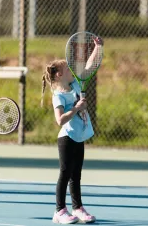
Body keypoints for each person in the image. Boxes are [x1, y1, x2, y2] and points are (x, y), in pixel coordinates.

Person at [41, 37, 102, 224]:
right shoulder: (58, 95)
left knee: (76, 175)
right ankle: (59, 211)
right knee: (65, 173)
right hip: (67, 138)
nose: (71, 70)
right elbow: (60, 119)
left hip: (79, 136)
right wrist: (76, 108)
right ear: (59, 75)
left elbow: (90, 67)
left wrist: (97, 48)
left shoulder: (75, 84)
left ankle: (78, 208)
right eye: (67, 69)